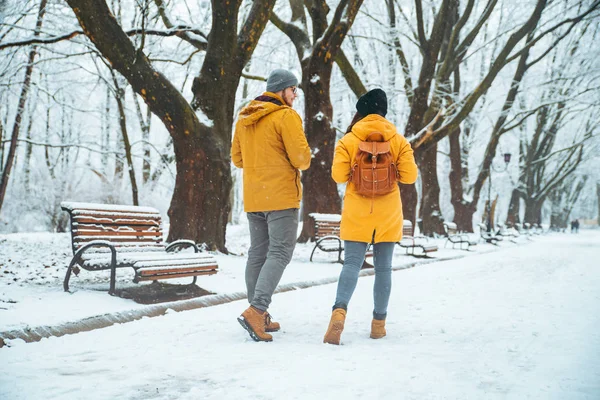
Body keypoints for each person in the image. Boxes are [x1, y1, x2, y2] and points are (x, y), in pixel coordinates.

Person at [323, 88, 418, 345]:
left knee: (352, 265)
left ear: (361, 112)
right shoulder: (398, 140)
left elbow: (338, 176)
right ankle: (378, 324)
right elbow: (409, 177)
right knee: (384, 268)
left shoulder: (349, 140)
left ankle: (339, 312)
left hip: (357, 211)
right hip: (387, 213)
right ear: (383, 111)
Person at [231, 69, 311, 342]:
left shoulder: (244, 118)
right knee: (279, 252)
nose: (295, 95)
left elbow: (238, 159)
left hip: (254, 198)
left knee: (258, 253)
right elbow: (301, 158)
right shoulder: (285, 116)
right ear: (281, 89)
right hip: (281, 197)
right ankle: (257, 310)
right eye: (293, 90)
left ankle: (259, 315)